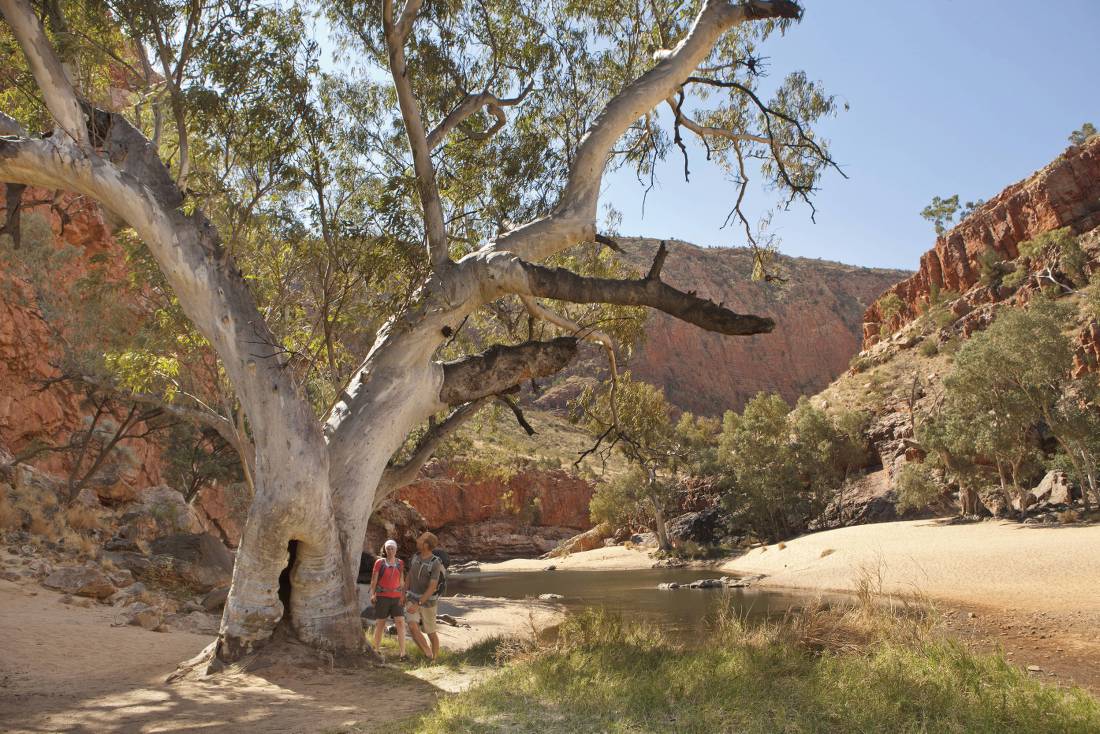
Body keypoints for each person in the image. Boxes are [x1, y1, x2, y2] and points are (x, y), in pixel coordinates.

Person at [405, 531, 444, 661]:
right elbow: (410, 575)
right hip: (412, 598)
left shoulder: (435, 563)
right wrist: (402, 593)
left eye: (420, 539)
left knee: (431, 632)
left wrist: (419, 603)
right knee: (412, 625)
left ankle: (434, 660)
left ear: (426, 545)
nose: (417, 541)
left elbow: (432, 587)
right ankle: (427, 652)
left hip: (428, 602)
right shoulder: (415, 557)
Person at [369, 539, 407, 661]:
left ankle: (403, 654)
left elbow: (402, 581)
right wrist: (372, 594)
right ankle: (376, 651)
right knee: (380, 624)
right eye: (388, 548)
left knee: (400, 623)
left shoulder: (400, 563)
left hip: (396, 598)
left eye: (392, 548)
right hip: (382, 597)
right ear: (385, 549)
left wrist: (403, 595)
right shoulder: (379, 563)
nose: (390, 550)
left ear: (396, 549)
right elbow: (374, 580)